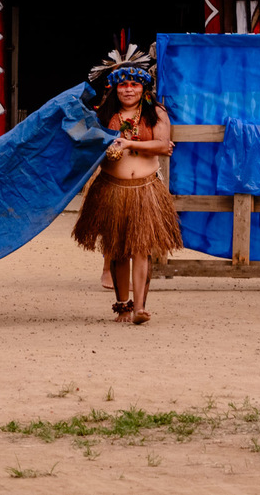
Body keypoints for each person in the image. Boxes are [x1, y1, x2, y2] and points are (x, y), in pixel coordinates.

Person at [72, 48, 181, 324]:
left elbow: (163, 145)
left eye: (134, 84)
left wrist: (129, 143)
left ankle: (140, 308)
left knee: (142, 248)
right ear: (115, 88)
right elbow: (88, 145)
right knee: (118, 249)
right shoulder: (105, 115)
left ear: (143, 88)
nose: (128, 90)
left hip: (146, 190)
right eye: (123, 85)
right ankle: (122, 306)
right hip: (112, 188)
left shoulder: (156, 113)